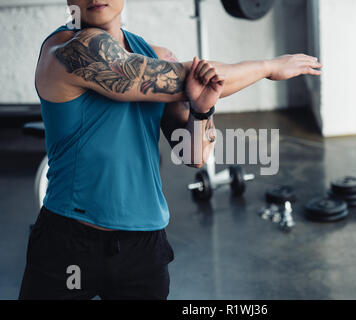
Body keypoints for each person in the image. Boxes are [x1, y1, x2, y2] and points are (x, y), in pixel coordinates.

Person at [19, 0, 322, 300]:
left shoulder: (156, 56)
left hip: (143, 244)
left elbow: (193, 156)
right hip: (68, 242)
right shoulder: (69, 51)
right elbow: (182, 78)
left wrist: (201, 113)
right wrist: (268, 66)